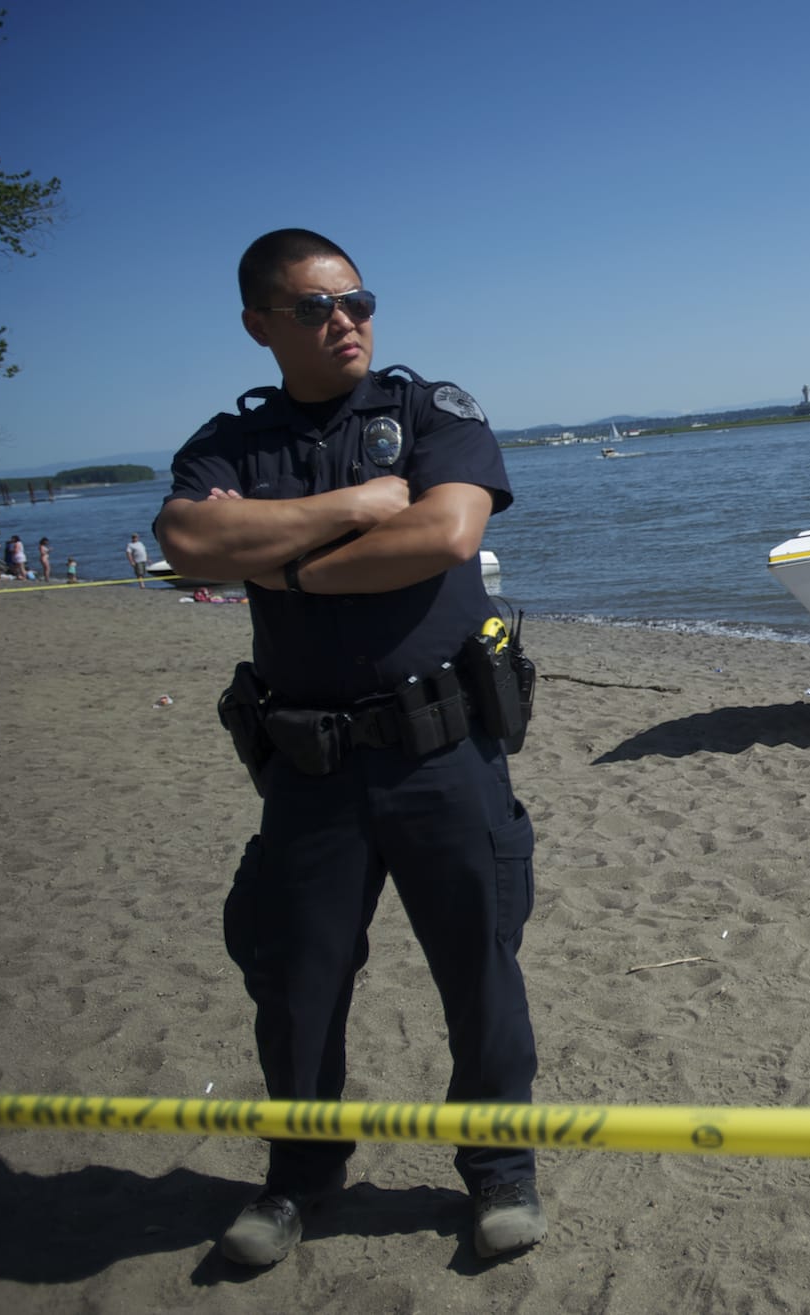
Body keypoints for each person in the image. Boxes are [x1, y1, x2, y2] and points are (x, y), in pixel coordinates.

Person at [154, 228, 541, 1269]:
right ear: (259, 327)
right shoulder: (230, 445)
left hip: (441, 755)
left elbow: (446, 534)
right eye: (318, 307)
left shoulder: (430, 414)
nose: (347, 321)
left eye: (359, 301)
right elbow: (189, 542)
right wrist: (358, 507)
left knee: (479, 970)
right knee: (297, 984)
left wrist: (279, 562)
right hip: (310, 769)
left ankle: (500, 1170)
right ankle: (300, 1179)